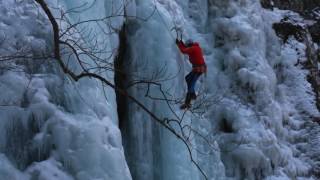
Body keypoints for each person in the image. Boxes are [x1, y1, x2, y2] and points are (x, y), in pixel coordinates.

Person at [176, 38, 207, 109]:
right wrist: (181, 44)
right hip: (197, 68)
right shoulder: (195, 47)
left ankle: (187, 103)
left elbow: (184, 51)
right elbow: (186, 49)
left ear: (189, 45)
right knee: (188, 78)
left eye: (187, 46)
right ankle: (193, 95)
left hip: (199, 69)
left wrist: (179, 44)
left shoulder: (194, 48)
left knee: (191, 84)